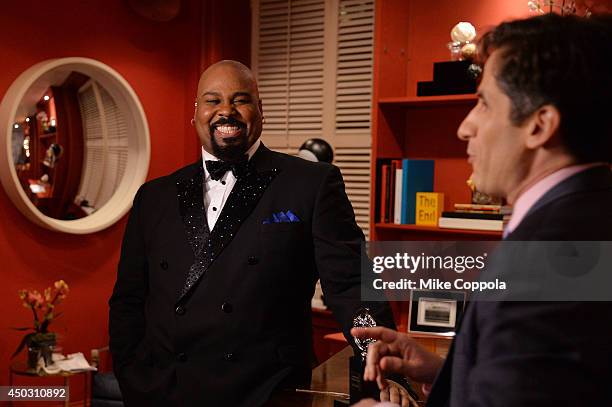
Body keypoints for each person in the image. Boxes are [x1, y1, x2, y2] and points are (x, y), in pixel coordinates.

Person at [352, 13, 612, 407]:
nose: (465, 127)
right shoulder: (590, 219)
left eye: (484, 103)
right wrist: (445, 371)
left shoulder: (542, 269)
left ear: (539, 126)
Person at [108, 60, 397, 406]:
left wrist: (382, 359)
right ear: (196, 113)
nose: (226, 111)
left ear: (260, 111)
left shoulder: (311, 185)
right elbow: (128, 299)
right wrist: (132, 377)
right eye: (213, 101)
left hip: (264, 393)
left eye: (240, 100)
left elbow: (351, 284)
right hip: (164, 392)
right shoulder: (154, 197)